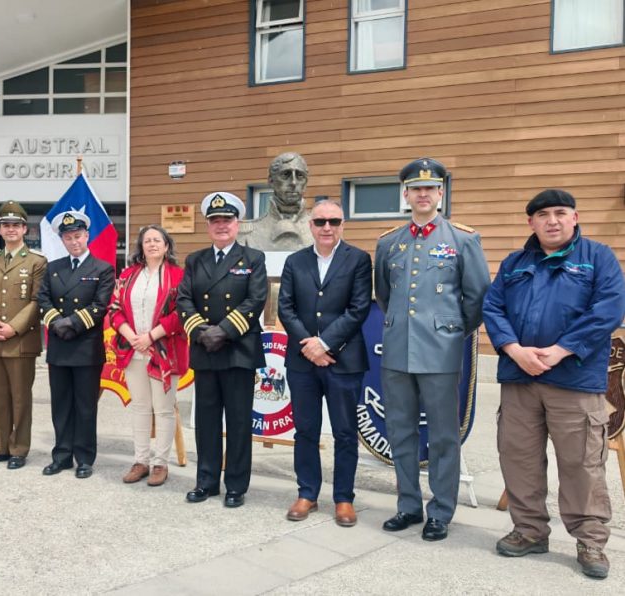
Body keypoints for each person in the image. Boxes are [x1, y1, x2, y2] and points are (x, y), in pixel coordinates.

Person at [483, 189, 625, 579]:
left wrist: (561, 350)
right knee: (519, 458)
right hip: (520, 378)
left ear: (575, 218)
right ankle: (529, 531)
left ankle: (591, 541)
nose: (552, 220)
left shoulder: (598, 259)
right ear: (531, 222)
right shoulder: (514, 263)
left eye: (561, 213)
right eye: (543, 214)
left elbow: (608, 309)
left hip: (574, 380)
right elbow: (492, 307)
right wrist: (514, 349)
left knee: (582, 463)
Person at [374, 158, 490, 541]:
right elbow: (384, 295)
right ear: (405, 194)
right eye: (415, 188)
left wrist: (449, 332)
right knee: (401, 431)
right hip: (396, 352)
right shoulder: (389, 242)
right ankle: (408, 505)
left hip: (440, 352)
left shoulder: (463, 239)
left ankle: (440, 510)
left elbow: (476, 298)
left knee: (442, 435)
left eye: (430, 188)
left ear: (441, 193)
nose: (422, 195)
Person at [277, 199, 371, 525]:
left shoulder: (358, 259)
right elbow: (285, 308)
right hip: (303, 363)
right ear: (310, 225)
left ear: (343, 224)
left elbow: (358, 309)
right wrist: (309, 346)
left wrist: (325, 343)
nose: (327, 227)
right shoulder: (295, 261)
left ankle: (344, 498)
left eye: (333, 221)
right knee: (305, 430)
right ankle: (307, 494)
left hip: (343, 361)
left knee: (345, 432)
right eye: (320, 222)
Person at [177, 192, 267, 508]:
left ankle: (236, 485)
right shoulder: (195, 260)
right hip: (205, 350)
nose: (221, 226)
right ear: (208, 225)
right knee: (207, 421)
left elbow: (255, 301)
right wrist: (204, 332)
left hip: (238, 350)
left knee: (239, 422)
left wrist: (223, 331)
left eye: (226, 220)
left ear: (237, 223)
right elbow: (184, 300)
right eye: (215, 221)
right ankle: (206, 481)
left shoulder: (253, 258)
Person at [38, 211, 114, 479]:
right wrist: (57, 323)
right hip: (59, 346)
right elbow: (43, 300)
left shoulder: (102, 269)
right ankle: (61, 455)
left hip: (85, 347)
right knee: (60, 404)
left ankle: (84, 457)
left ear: (87, 236)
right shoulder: (52, 267)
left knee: (85, 406)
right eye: (68, 237)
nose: (74, 241)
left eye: (78, 236)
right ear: (62, 239)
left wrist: (70, 324)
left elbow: (100, 306)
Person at [110, 225, 188, 487]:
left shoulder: (179, 276)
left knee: (164, 410)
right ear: (140, 247)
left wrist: (150, 336)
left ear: (167, 246)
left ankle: (160, 464)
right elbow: (114, 308)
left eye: (157, 240)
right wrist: (130, 335)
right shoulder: (128, 275)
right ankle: (141, 461)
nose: (152, 244)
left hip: (164, 351)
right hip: (133, 349)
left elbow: (180, 314)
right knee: (140, 407)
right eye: (147, 241)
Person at [0, 201, 47, 470]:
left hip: (20, 341)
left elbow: (37, 301)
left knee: (20, 398)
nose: (11, 229)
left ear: (25, 229)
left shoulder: (37, 261)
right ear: (0, 229)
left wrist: (13, 327)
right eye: (6, 225)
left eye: (16, 225)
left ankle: (19, 449)